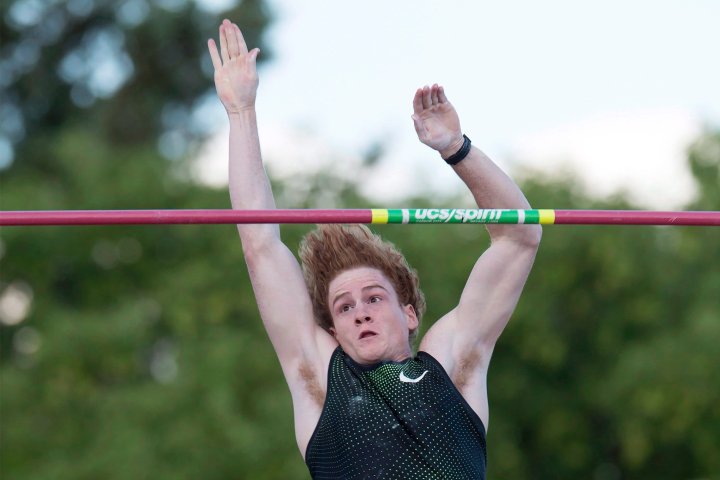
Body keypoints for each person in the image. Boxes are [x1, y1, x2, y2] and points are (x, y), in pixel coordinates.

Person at [208, 19, 541, 479]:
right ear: (333, 331)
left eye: (373, 298)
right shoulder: (322, 377)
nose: (360, 313)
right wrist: (241, 112)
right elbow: (259, 243)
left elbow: (520, 235)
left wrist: (456, 150)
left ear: (409, 315)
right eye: (344, 308)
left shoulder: (452, 364)